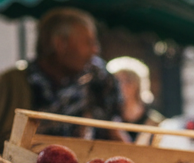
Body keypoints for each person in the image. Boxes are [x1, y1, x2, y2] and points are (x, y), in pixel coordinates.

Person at [0, 7, 122, 140]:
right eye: (88, 42)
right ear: (60, 44)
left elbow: (113, 133)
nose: (95, 50)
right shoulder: (13, 84)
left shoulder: (97, 81)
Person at [108, 57, 164, 128]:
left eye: (127, 81)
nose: (122, 86)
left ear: (138, 84)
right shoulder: (110, 116)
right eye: (117, 81)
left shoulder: (154, 121)